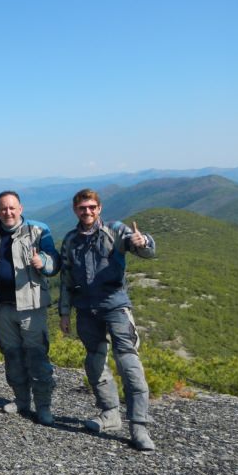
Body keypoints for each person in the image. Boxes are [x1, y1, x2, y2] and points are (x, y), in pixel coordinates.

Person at [58, 188, 157, 451]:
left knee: (128, 363)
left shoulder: (115, 231)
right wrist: (64, 312)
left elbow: (144, 249)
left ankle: (138, 425)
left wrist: (144, 241)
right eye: (82, 208)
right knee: (94, 361)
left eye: (92, 207)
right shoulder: (70, 240)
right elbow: (66, 279)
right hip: (86, 309)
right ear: (75, 210)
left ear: (99, 208)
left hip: (115, 306)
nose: (87, 211)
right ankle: (110, 413)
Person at [0, 190, 60, 426]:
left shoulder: (38, 230)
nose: (8, 212)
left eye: (12, 208)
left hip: (31, 305)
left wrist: (44, 263)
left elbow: (54, 260)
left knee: (37, 355)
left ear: (20, 208)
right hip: (1, 307)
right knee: (11, 355)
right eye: (3, 208)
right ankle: (21, 400)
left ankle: (43, 406)